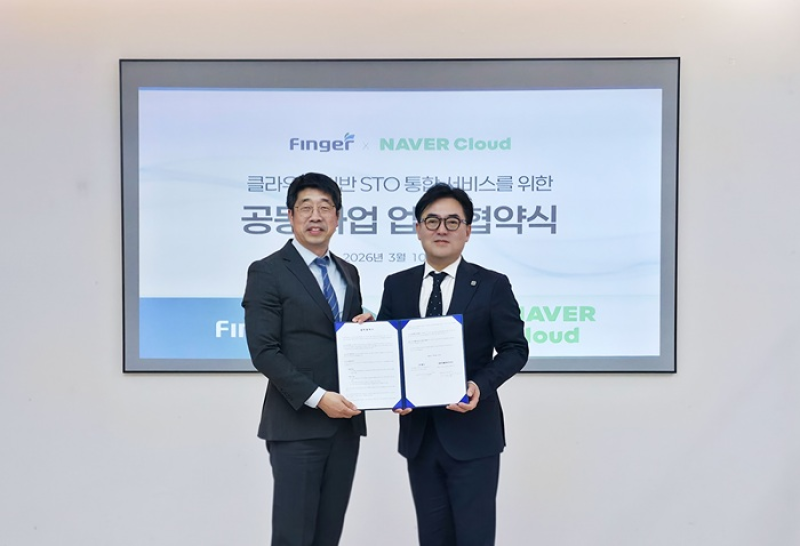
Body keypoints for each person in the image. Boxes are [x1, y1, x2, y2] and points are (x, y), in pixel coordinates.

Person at [377, 183, 529, 546]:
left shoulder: (491, 285)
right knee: (432, 538)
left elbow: (514, 349)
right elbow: (386, 349)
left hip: (473, 435)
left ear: (467, 231)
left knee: (475, 538)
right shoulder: (397, 285)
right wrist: (370, 346)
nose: (441, 229)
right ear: (418, 229)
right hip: (419, 436)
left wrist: (479, 385)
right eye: (432, 221)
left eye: (452, 221)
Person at [242, 172, 370, 546]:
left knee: (328, 536)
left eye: (325, 207)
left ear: (337, 217)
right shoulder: (267, 270)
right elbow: (264, 351)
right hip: (296, 425)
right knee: (293, 537)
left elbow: (343, 341)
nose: (316, 216)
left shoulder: (348, 272)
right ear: (291, 215)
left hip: (345, 426)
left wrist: (367, 331)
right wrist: (318, 397)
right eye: (306, 207)